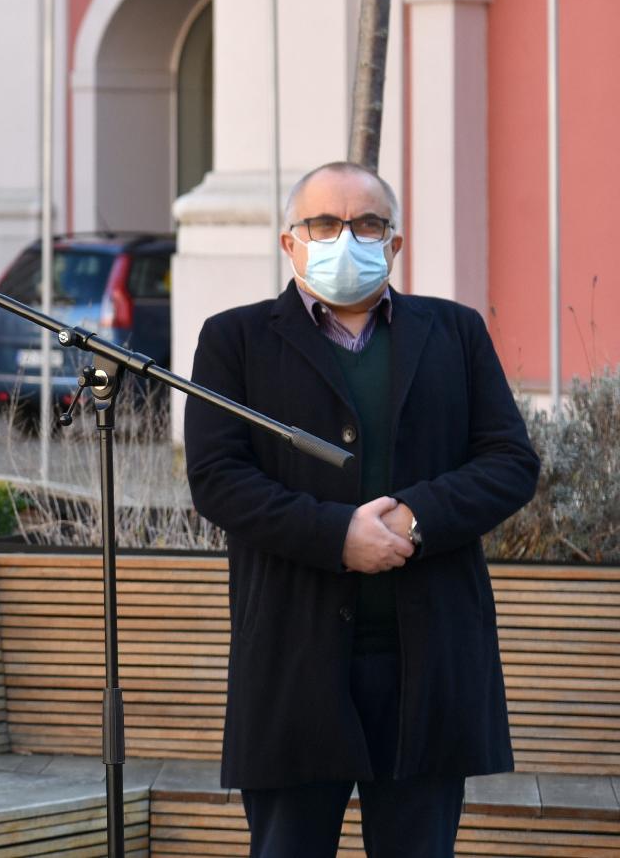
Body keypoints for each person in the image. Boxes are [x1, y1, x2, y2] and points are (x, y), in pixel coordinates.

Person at [185, 161, 538, 858]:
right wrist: (337, 535)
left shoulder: (456, 332)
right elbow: (218, 478)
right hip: (294, 657)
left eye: (367, 223)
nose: (345, 237)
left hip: (429, 661)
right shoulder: (236, 340)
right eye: (323, 223)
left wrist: (414, 518)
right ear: (291, 242)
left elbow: (510, 462)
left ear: (395, 244)